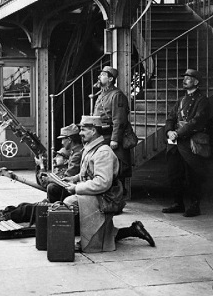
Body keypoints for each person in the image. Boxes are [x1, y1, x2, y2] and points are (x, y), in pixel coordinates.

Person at [61, 115, 155, 252]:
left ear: (93, 131)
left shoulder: (103, 152)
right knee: (67, 199)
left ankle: (88, 240)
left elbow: (102, 182)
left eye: (83, 129)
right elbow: (88, 173)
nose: (80, 133)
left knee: (70, 202)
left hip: (106, 197)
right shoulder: (92, 148)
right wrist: (74, 179)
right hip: (100, 194)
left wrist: (77, 188)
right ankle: (132, 230)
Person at [162, 69, 210, 217]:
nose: (185, 80)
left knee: (193, 175)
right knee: (174, 173)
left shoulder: (203, 100)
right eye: (185, 78)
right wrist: (169, 131)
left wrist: (178, 133)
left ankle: (195, 206)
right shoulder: (181, 100)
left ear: (196, 82)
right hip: (175, 142)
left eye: (188, 78)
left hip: (189, 142)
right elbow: (170, 118)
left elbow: (197, 121)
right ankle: (178, 203)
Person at [0, 148, 71, 225]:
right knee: (22, 205)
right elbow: (42, 182)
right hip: (51, 202)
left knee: (26, 209)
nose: (54, 159)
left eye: (58, 157)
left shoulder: (65, 173)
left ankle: (0, 218)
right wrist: (39, 166)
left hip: (56, 206)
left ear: (66, 161)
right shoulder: (58, 171)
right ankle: (0, 214)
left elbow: (44, 182)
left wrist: (41, 165)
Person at [93, 66, 132, 194]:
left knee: (117, 166)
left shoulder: (117, 95)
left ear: (110, 79)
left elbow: (119, 119)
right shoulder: (102, 94)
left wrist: (115, 139)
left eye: (103, 75)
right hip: (101, 135)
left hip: (111, 136)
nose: (99, 77)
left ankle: (119, 194)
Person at [44, 123, 83, 203]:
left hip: (75, 186)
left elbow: (68, 176)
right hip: (75, 184)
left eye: (63, 139)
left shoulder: (77, 154)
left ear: (69, 140)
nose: (62, 142)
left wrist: (51, 179)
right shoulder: (75, 152)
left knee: (52, 187)